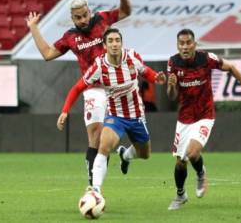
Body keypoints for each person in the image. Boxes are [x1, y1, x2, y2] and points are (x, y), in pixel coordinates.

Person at [26, 0, 132, 189]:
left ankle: (123, 154)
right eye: (78, 17)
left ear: (89, 11)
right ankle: (94, 187)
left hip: (115, 86)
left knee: (116, 141)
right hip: (92, 89)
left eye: (85, 15)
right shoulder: (71, 37)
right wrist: (33, 28)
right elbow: (48, 54)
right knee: (96, 135)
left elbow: (126, 12)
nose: (83, 20)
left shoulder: (102, 19)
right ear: (72, 18)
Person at [56, 28, 166, 194]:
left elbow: (147, 72)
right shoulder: (99, 66)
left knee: (145, 154)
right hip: (115, 116)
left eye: (117, 40)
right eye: (111, 41)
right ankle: (95, 190)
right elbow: (77, 88)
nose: (115, 44)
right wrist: (65, 111)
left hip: (136, 115)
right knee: (104, 145)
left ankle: (126, 156)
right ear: (104, 46)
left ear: (121, 43)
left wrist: (157, 78)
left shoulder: (132, 57)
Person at [167, 29, 241, 210]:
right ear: (177, 45)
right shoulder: (173, 62)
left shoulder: (207, 59)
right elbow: (172, 96)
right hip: (185, 118)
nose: (185, 46)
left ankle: (201, 173)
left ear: (194, 44)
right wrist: (171, 87)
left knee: (193, 153)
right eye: (182, 43)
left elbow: (231, 67)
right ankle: (180, 195)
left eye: (188, 43)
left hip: (205, 114)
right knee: (180, 162)